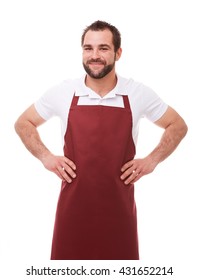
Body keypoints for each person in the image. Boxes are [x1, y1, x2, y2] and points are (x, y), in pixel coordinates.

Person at [14, 20, 188, 260]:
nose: (94, 55)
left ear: (118, 53)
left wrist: (152, 160)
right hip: (72, 213)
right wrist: (46, 157)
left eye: (103, 48)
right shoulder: (64, 92)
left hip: (119, 213)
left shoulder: (136, 93)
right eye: (88, 48)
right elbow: (23, 123)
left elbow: (177, 125)